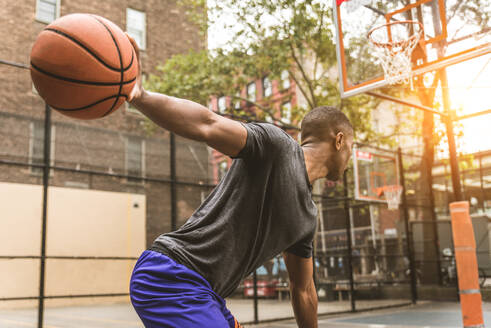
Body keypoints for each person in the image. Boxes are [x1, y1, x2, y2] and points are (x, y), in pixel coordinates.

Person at [126, 35, 354, 328]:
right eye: (351, 146)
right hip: (170, 275)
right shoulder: (277, 147)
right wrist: (140, 96)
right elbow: (207, 123)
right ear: (338, 140)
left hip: (205, 294)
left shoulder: (307, 218)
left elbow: (304, 291)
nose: (351, 157)